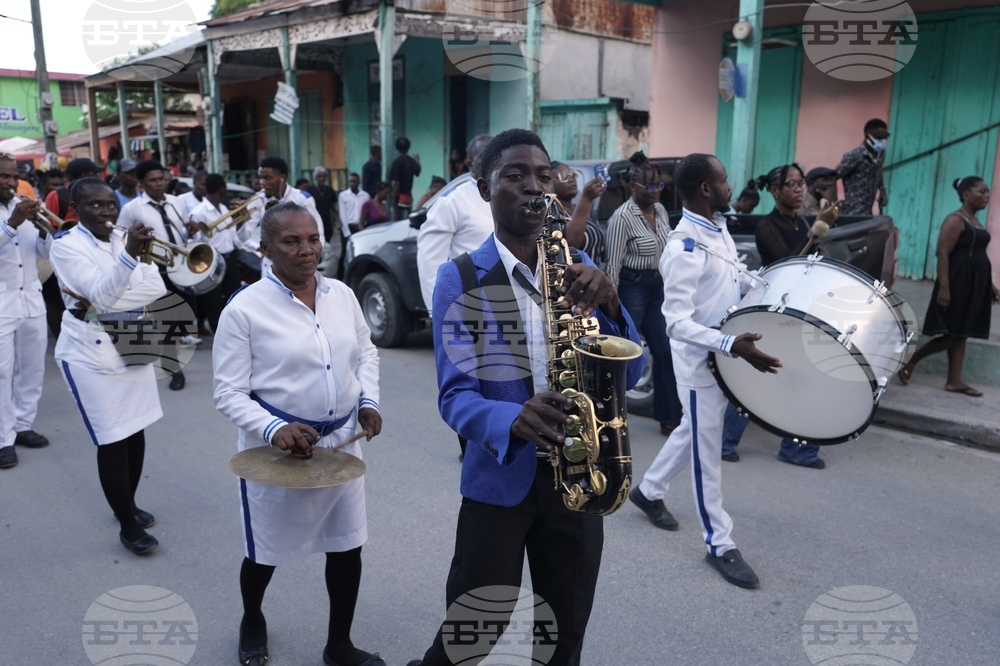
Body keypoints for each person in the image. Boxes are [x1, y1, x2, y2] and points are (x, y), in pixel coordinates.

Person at [406, 129, 644, 666]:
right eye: (514, 176)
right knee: (473, 630)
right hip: (500, 478)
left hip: (582, 472)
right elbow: (455, 398)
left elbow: (635, 367)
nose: (534, 187)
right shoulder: (460, 279)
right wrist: (513, 416)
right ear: (483, 188)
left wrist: (611, 303)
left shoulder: (577, 265)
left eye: (542, 175)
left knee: (564, 632)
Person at [213, 201, 383, 666]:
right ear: (265, 248)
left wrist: (367, 401)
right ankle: (252, 618)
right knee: (265, 549)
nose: (306, 250)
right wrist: (274, 428)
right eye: (291, 241)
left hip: (342, 444)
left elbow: (365, 353)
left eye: (313, 239)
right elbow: (228, 392)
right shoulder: (244, 310)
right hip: (278, 452)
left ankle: (339, 645)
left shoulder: (342, 296)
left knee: (347, 545)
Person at [628, 153, 781, 590]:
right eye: (725, 180)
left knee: (695, 431)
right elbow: (674, 321)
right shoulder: (683, 248)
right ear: (706, 190)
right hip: (701, 364)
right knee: (706, 452)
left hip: (724, 355)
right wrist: (731, 344)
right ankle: (719, 543)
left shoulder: (718, 229)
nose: (732, 186)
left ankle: (650, 490)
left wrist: (761, 282)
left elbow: (728, 279)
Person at [49, 178, 166, 554]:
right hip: (90, 350)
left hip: (132, 334)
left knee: (136, 429)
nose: (106, 212)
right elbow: (103, 295)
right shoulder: (66, 246)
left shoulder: (120, 239)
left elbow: (156, 289)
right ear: (75, 208)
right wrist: (129, 261)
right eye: (95, 206)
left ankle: (127, 504)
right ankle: (127, 525)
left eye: (110, 204)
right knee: (112, 437)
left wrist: (113, 290)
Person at [720, 163, 840, 469]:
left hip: (800, 313)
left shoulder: (800, 224)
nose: (800, 190)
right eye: (792, 184)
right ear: (775, 191)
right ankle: (724, 441)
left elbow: (812, 264)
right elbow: (788, 268)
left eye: (801, 184)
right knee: (755, 380)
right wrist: (818, 230)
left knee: (803, 377)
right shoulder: (768, 227)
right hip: (775, 314)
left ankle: (798, 450)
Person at [897, 176, 998, 396]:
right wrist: (944, 288)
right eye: (982, 192)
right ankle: (911, 360)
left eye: (988, 192)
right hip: (956, 283)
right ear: (966, 194)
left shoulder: (976, 222)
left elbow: (979, 256)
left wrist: (988, 285)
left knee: (962, 332)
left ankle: (954, 381)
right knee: (954, 333)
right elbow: (942, 252)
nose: (986, 197)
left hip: (975, 284)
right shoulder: (955, 219)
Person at [605, 152, 683, 435]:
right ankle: (610, 419)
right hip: (632, 287)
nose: (654, 192)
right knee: (624, 353)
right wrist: (612, 304)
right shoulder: (622, 218)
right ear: (632, 186)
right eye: (648, 187)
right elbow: (612, 265)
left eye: (658, 185)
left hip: (657, 287)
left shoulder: (660, 211)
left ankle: (669, 417)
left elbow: (671, 247)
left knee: (665, 351)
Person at [117, 159, 202, 391]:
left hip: (180, 267)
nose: (160, 184)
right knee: (166, 321)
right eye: (153, 181)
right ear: (141, 183)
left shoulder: (177, 202)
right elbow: (120, 239)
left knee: (180, 317)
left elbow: (182, 232)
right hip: (154, 271)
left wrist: (190, 229)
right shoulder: (132, 208)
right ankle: (174, 369)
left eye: (162, 179)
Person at [0, 155, 51, 470]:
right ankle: (3, 438)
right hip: (1, 302)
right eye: (3, 176)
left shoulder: (26, 205)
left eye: (12, 176)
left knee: (32, 367)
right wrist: (11, 224)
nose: (9, 182)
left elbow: (46, 253)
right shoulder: (16, 214)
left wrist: (44, 229)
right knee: (2, 372)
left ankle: (23, 424)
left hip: (32, 298)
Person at [417, 134, 493, 318]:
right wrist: (439, 314)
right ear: (469, 162)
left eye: (497, 154)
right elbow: (430, 262)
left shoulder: (506, 197)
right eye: (485, 155)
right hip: (471, 306)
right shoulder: (453, 202)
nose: (492, 159)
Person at [189, 174, 250, 334]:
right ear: (221, 189)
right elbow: (195, 243)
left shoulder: (224, 209)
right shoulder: (199, 213)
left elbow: (234, 239)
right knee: (214, 301)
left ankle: (237, 330)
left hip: (230, 258)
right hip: (212, 261)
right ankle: (219, 333)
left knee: (235, 296)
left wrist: (241, 223)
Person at [551, 161, 606, 265]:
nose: (571, 179)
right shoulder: (552, 214)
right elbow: (571, 245)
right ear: (549, 183)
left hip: (595, 277)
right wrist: (586, 198)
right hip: (576, 279)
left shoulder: (577, 210)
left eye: (572, 174)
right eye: (563, 176)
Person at [837, 118, 888, 215]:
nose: (882, 140)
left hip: (868, 211)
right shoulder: (855, 156)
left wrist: (882, 189)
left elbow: (878, 170)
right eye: (878, 137)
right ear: (867, 136)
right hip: (851, 213)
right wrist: (836, 207)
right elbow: (832, 178)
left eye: (885, 136)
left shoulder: (881, 154)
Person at [336, 173, 370, 279]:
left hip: (360, 228)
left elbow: (366, 213)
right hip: (348, 228)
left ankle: (358, 276)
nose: (352, 183)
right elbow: (342, 214)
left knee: (359, 252)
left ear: (359, 182)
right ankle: (340, 277)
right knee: (344, 253)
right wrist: (346, 232)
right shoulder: (343, 196)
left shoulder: (365, 196)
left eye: (354, 181)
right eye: (350, 181)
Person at [389, 136, 421, 221]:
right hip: (408, 198)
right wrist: (417, 160)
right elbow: (418, 172)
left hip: (399, 199)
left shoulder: (397, 162)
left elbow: (395, 183)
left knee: (397, 224)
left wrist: (394, 200)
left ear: (396, 147)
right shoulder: (411, 161)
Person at [308, 166, 339, 243]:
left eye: (324, 176)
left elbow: (333, 208)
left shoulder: (330, 191)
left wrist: (337, 221)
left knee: (326, 245)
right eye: (319, 176)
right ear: (316, 177)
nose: (322, 178)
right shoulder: (309, 191)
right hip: (313, 223)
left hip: (327, 224)